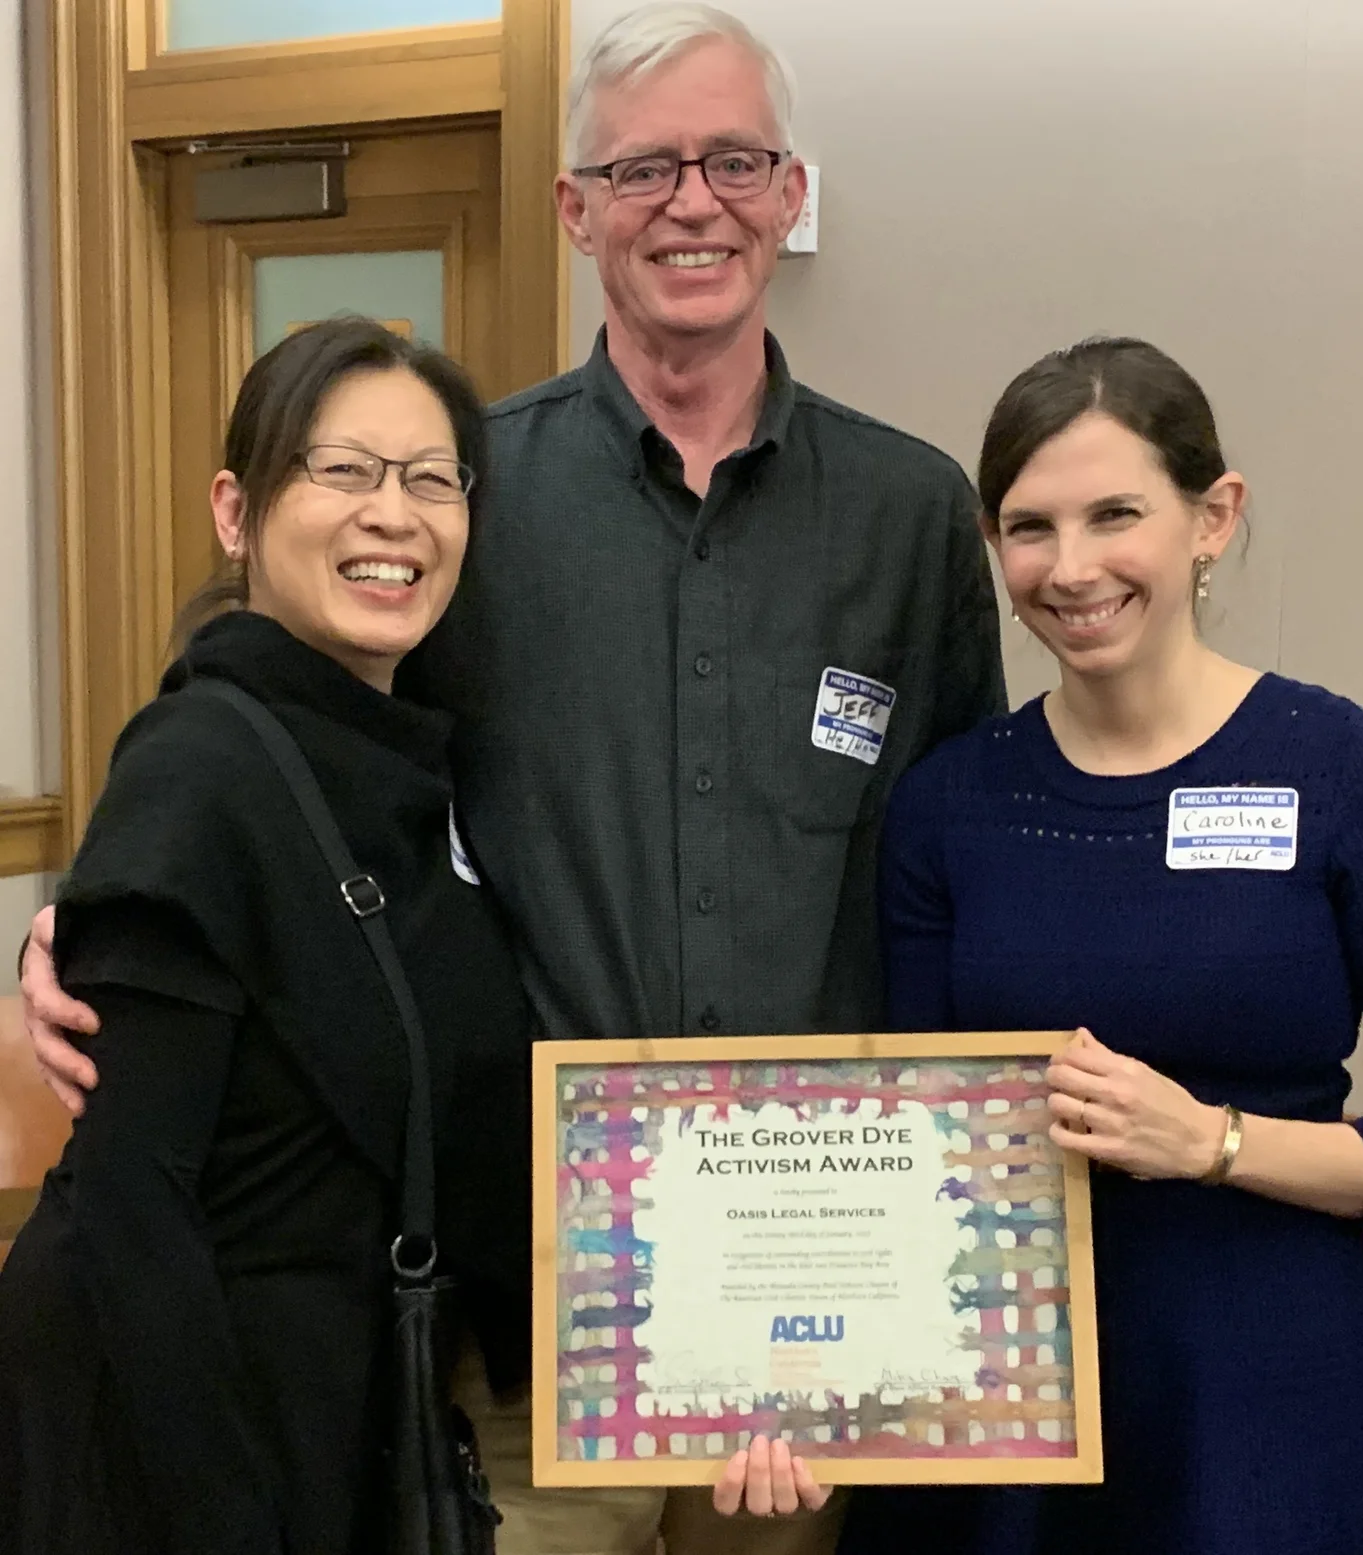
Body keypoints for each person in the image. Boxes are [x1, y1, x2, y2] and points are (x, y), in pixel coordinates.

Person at [22, 7, 1004, 1552]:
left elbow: (964, 875)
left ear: (788, 188)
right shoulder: (473, 500)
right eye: (644, 167)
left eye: (735, 159)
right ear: (576, 210)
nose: (695, 200)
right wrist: (106, 917)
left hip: (815, 1301)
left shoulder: (910, 516)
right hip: (533, 1312)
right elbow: (293, 757)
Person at [836, 337, 1363, 1555]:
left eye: (1116, 514)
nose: (1071, 567)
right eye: (1030, 527)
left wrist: (1211, 1142)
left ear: (1214, 516)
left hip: (1265, 1395)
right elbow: (907, 1139)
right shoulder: (948, 803)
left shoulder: (1360, 777)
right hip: (1002, 1410)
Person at [0, 318, 532, 1554]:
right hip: (174, 1438)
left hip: (333, 1402)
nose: (391, 515)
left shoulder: (399, 763)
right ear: (236, 512)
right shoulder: (202, 766)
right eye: (341, 470)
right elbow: (136, 1205)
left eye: (430, 478)